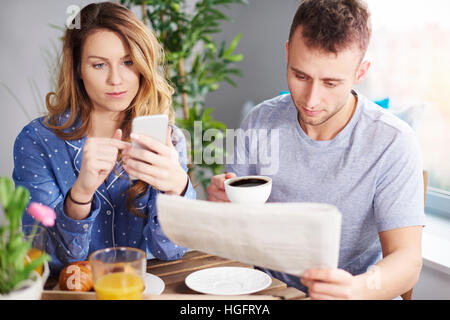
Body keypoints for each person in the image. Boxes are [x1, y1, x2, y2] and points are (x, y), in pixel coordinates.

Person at [207, 0, 425, 300]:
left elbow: (407, 261)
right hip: (267, 291)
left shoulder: (392, 141)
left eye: (331, 82)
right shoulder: (259, 121)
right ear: (287, 54)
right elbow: (234, 236)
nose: (311, 99)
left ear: (361, 72)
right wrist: (221, 210)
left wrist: (356, 289)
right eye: (300, 76)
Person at [13, 2, 195, 274]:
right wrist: (81, 195)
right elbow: (47, 259)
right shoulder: (36, 142)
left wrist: (178, 188)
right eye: (99, 65)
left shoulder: (167, 139)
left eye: (128, 62)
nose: (116, 79)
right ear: (78, 69)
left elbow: (170, 252)